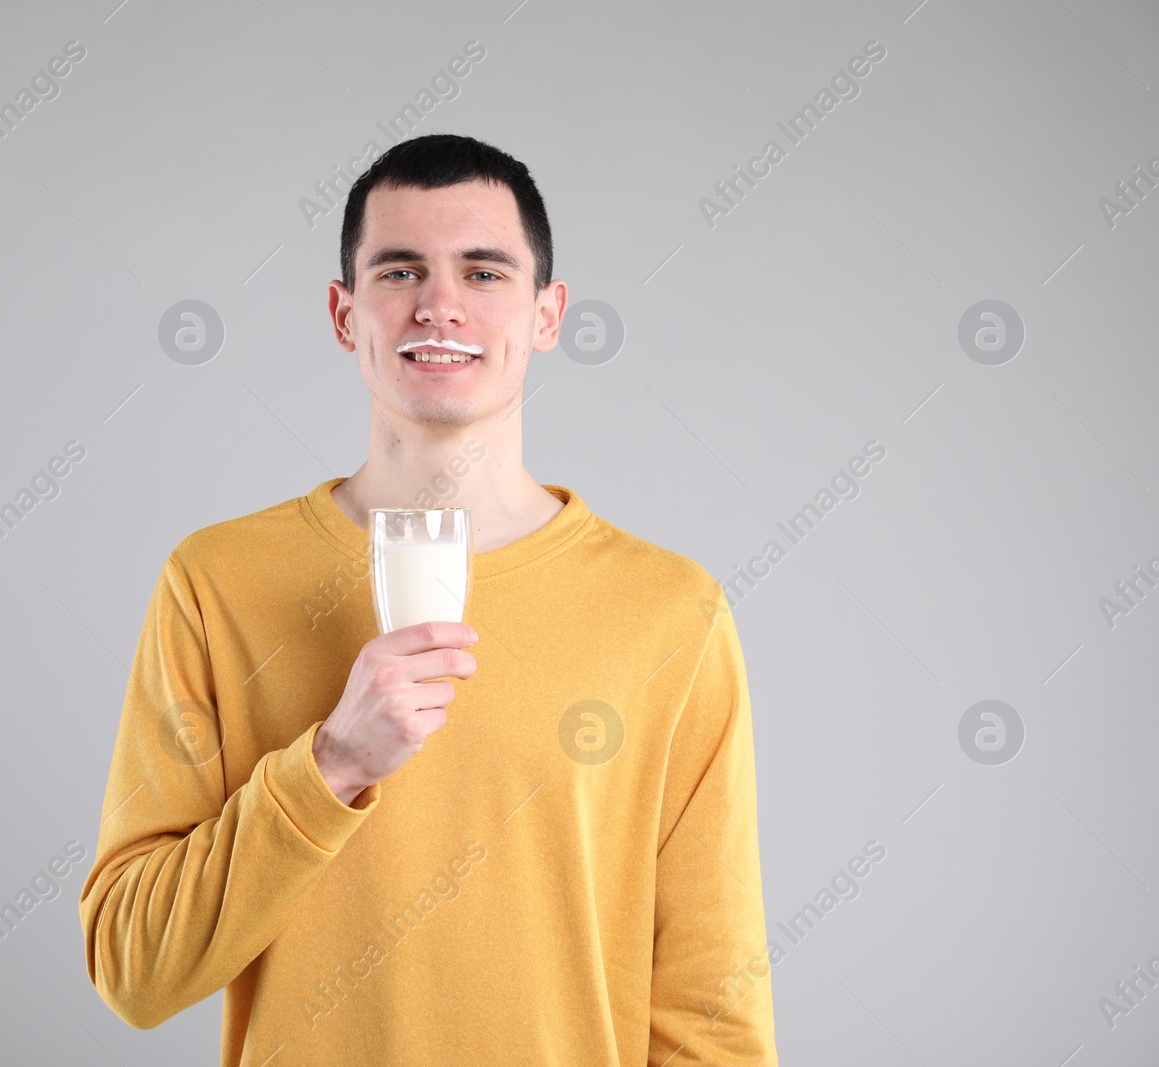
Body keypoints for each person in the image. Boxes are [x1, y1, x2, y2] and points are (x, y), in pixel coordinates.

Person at [79, 132, 778, 1065]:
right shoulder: (214, 582)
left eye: (484, 273)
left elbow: (710, 1008)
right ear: (343, 312)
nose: (440, 304)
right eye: (400, 269)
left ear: (547, 313)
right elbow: (133, 969)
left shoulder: (671, 610)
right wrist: (326, 769)